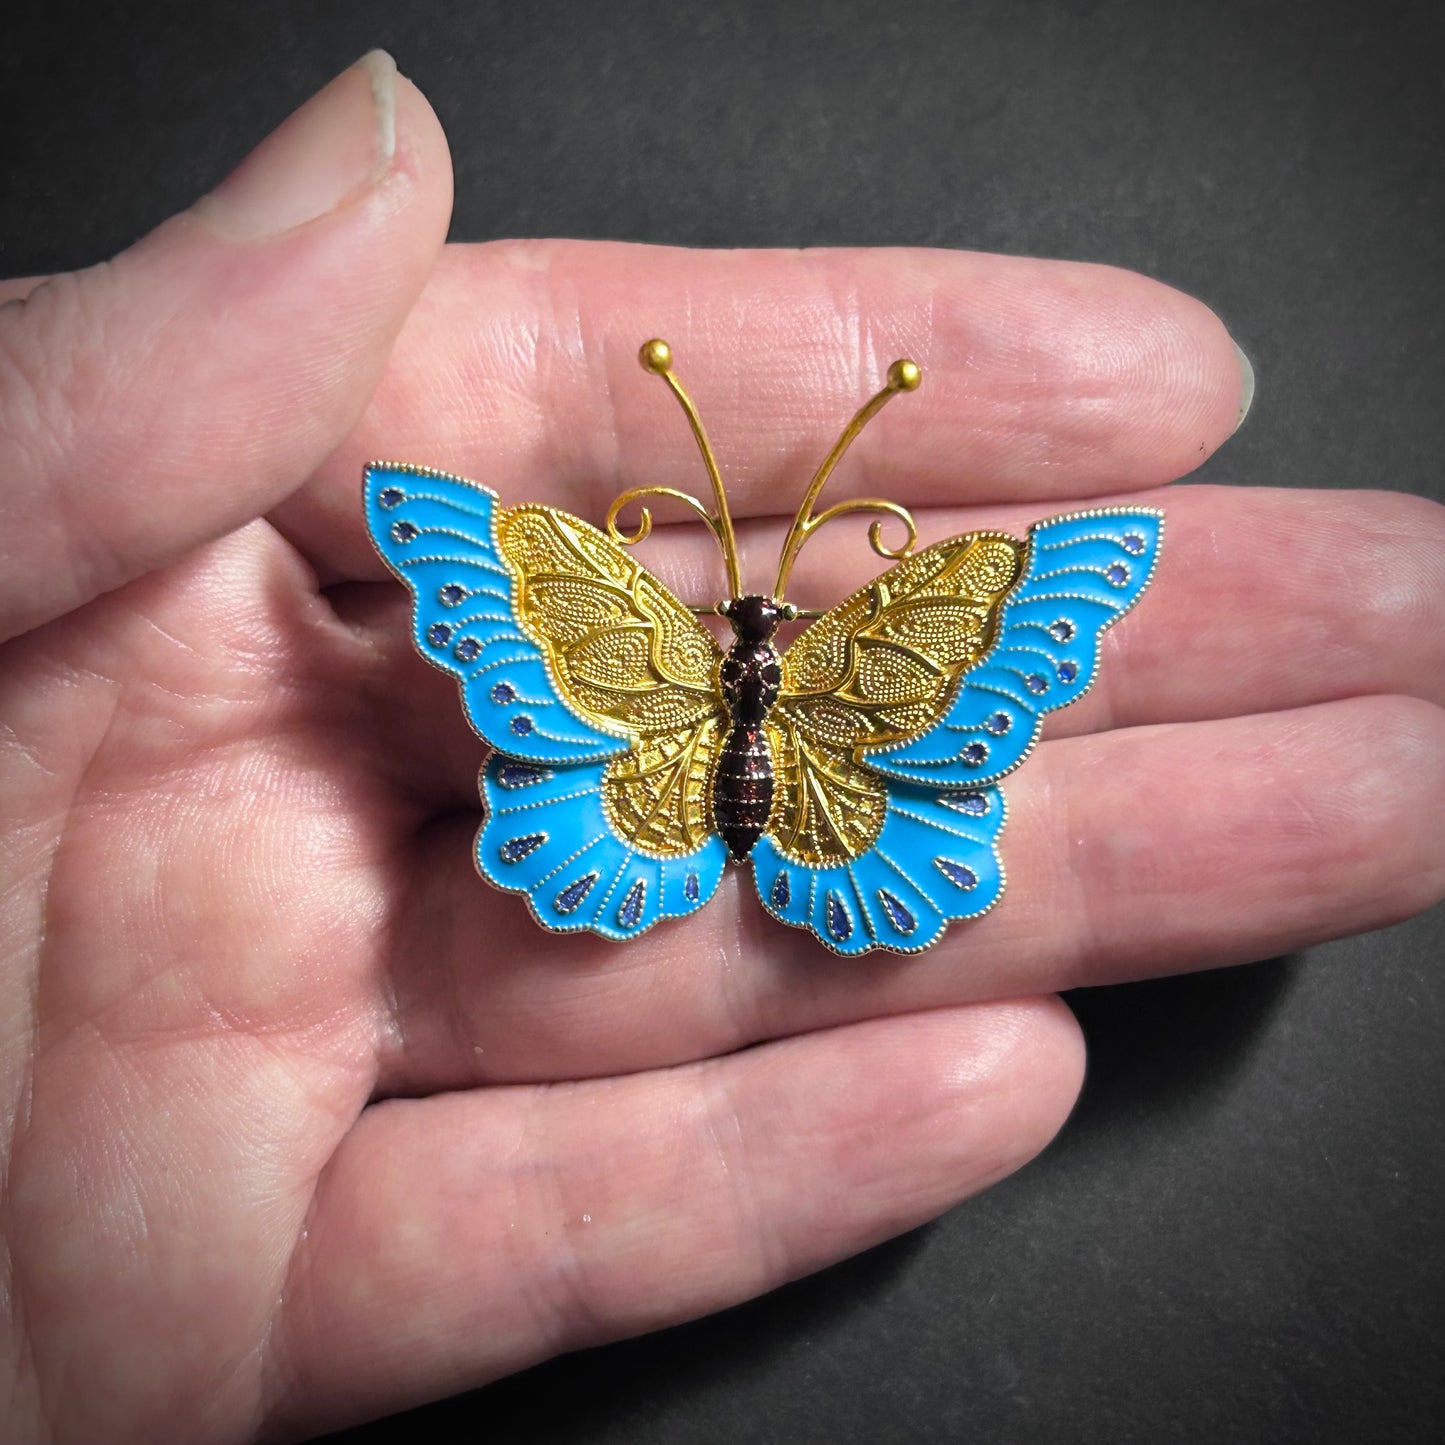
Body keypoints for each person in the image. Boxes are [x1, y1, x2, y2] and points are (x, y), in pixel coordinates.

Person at [0, 51, 1440, 1444]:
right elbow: (433, 519)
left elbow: (1072, 565)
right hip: (848, 803)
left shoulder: (677, 600)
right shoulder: (824, 613)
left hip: (637, 797)